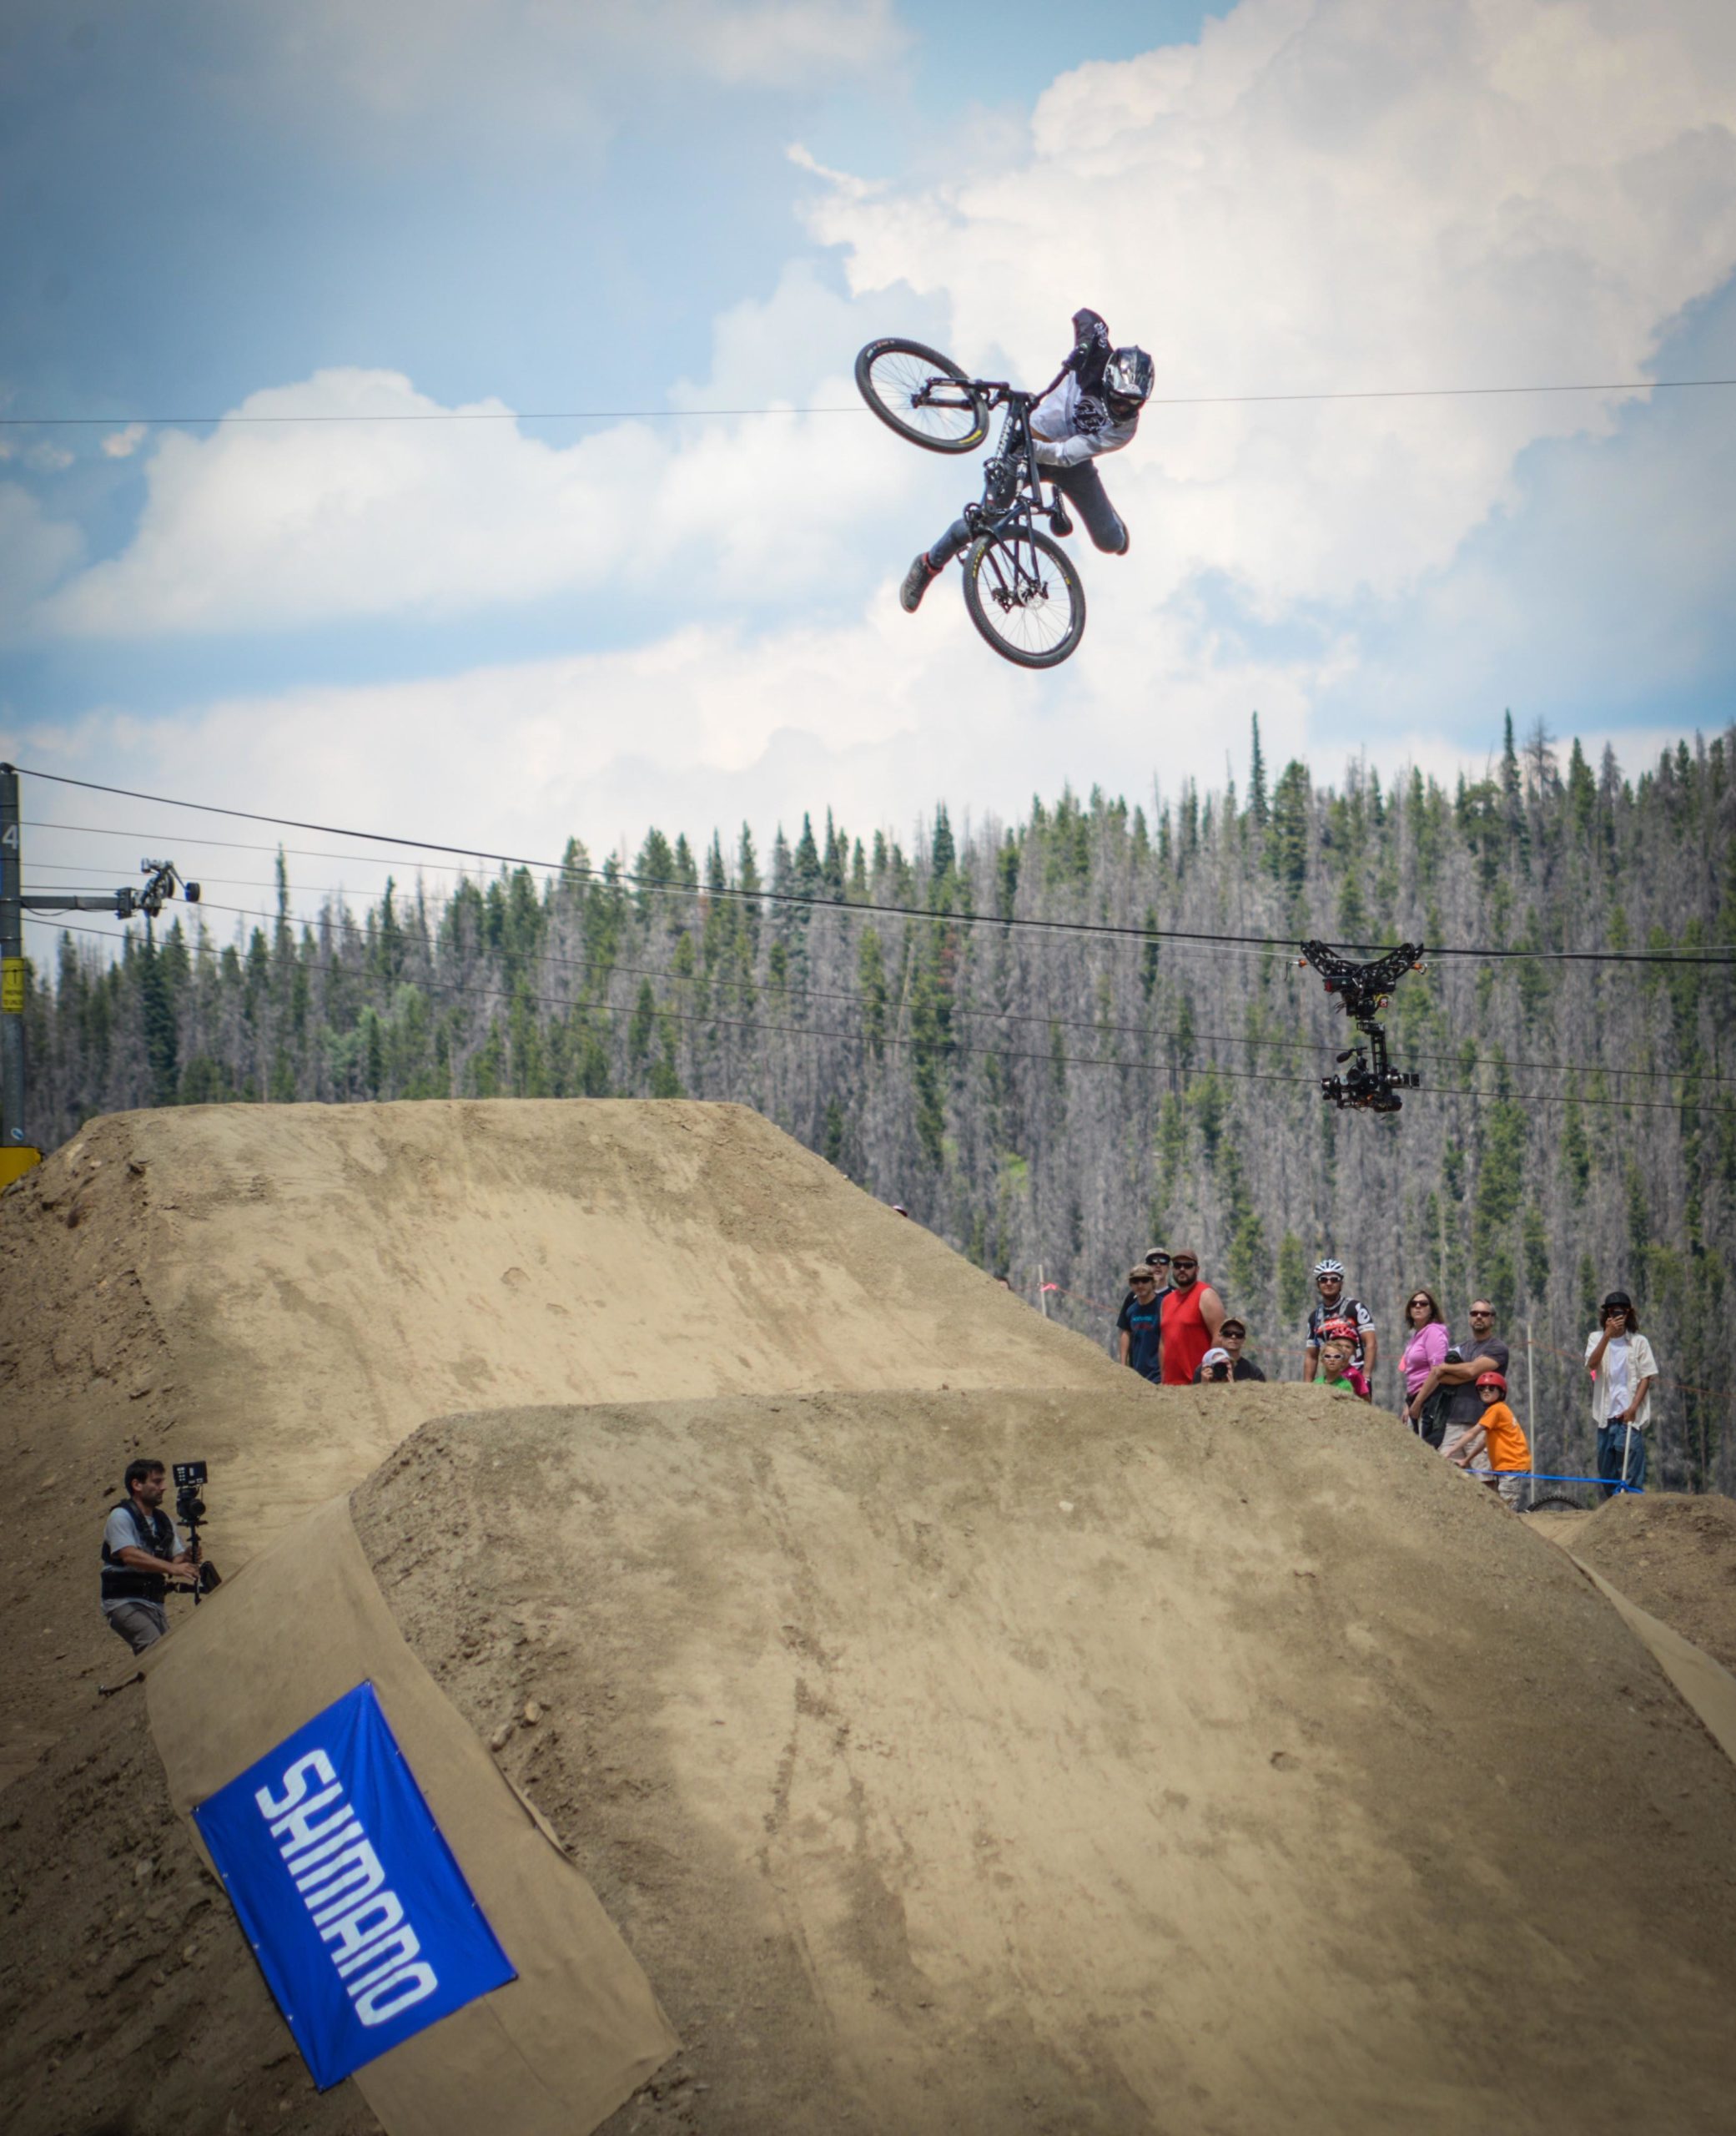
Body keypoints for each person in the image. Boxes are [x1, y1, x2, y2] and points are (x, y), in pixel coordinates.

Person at [899, 308, 1155, 612]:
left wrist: (1030, 448)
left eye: (1132, 404)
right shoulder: (1096, 362)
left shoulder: (1124, 430)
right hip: (1028, 445)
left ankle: (1100, 514)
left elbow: (1066, 454)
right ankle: (928, 566)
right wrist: (1084, 346)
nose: (1122, 408)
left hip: (1070, 462)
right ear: (1109, 379)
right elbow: (1087, 317)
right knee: (984, 521)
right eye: (1117, 398)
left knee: (1112, 543)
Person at [101, 1458, 197, 1654]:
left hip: (153, 1602)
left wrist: (186, 1558)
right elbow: (129, 1555)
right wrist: (173, 1568)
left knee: (168, 1653)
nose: (163, 1487)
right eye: (157, 1482)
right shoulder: (120, 1516)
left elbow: (175, 1559)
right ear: (137, 1485)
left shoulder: (164, 1521)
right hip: (124, 1601)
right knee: (156, 1651)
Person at [1410, 1298, 1509, 1464]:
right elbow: (1440, 1376)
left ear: (1492, 1319)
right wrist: (1416, 1402)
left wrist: (1445, 1369)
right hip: (1453, 1421)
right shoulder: (1459, 1348)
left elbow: (1472, 1370)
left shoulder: (1498, 1348)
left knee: (1484, 1479)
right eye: (1474, 1313)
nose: (1479, 1317)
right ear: (1469, 1318)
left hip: (1483, 1422)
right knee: (1445, 1473)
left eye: (1484, 1314)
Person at [1585, 1290, 1658, 1499]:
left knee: (1631, 1474)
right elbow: (1592, 1364)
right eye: (1612, 1311)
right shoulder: (1596, 1338)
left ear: (1629, 1314)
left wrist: (1634, 1407)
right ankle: (1613, 1510)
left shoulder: (1639, 1342)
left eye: (1622, 1312)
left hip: (1629, 1419)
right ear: (1606, 1314)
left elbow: (1647, 1376)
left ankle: (1633, 1509)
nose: (1617, 1316)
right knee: (1606, 1471)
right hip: (1604, 1418)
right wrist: (1607, 1336)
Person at [1448, 1372, 1532, 1508]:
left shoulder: (1496, 1410)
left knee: (1507, 1507)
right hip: (1507, 1465)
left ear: (1501, 1392)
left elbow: (1472, 1433)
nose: (1486, 1391)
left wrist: (1450, 1451)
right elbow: (1483, 1442)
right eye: (1482, 1388)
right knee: (1503, 1504)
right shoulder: (1497, 1411)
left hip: (1511, 1465)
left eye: (1491, 1388)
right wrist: (1466, 1460)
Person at [1303, 1259, 1376, 1383]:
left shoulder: (1355, 1308)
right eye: (1323, 1279)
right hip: (1331, 1379)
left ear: (1341, 1284)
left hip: (1356, 1377)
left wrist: (1366, 1376)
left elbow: (1371, 1344)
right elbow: (1311, 1356)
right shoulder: (1314, 1317)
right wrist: (1306, 1388)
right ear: (1318, 1285)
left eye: (1334, 1279)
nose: (1329, 1283)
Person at [1160, 1252, 1225, 1386]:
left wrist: (1209, 1376)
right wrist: (1163, 1377)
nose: (1182, 1269)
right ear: (1173, 1269)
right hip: (1170, 1386)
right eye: (1178, 1265)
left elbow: (1219, 1336)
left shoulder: (1206, 1295)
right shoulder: (1166, 1301)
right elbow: (1163, 1342)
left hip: (1196, 1383)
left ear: (1197, 1269)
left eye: (1188, 1265)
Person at [1397, 1287, 1452, 1443]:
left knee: (1428, 1446)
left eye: (1423, 1303)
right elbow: (1411, 1375)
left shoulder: (1434, 1333)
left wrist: (1418, 1403)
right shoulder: (1416, 1336)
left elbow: (1437, 1371)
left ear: (1431, 1310)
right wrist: (1409, 1404)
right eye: (1414, 1304)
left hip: (1431, 1398)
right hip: (1415, 1398)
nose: (1418, 1307)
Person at [1116, 1265, 1164, 1384]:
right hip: (1137, 1377)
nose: (1140, 1285)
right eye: (1135, 1281)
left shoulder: (1164, 1306)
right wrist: (1123, 1367)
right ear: (1131, 1285)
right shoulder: (1131, 1310)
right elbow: (1126, 1333)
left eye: (1145, 1280)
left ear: (1153, 1282)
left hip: (1159, 1376)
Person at [1194, 1317, 1266, 1382]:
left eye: (1239, 1334)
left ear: (1244, 1340)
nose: (1233, 1337)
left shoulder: (1254, 1373)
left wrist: (1232, 1386)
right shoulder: (1203, 1370)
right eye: (1228, 1333)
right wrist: (1204, 1385)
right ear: (1220, 1337)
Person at [1316, 1324, 1371, 1400]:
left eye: (1348, 1347)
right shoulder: (1319, 1380)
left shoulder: (1355, 1375)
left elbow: (1366, 1399)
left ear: (1354, 1352)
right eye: (1339, 1346)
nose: (1344, 1349)